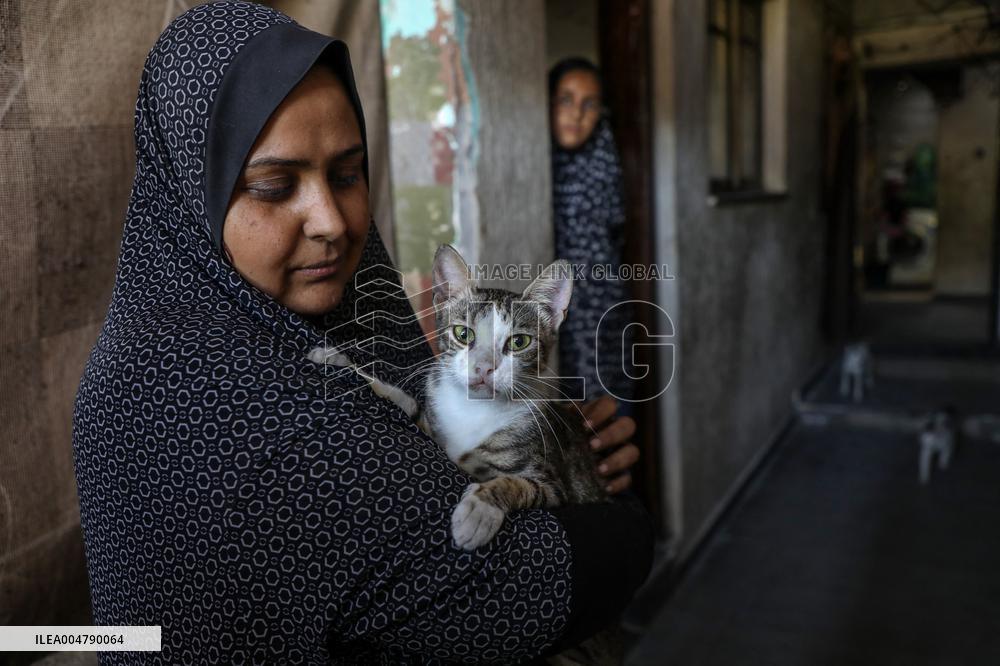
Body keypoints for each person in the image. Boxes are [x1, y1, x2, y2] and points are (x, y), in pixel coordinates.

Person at [72, 3, 652, 663]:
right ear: (189, 192)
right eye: (272, 185)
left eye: (348, 173)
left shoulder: (131, 362)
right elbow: (527, 592)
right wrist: (620, 518)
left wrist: (564, 455)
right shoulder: (269, 424)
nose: (332, 221)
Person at [549, 58, 635, 411]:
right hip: (557, 310)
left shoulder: (605, 157)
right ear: (549, 104)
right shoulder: (539, 162)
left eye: (589, 104)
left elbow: (616, 228)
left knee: (610, 411)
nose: (577, 114)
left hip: (604, 308)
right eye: (566, 100)